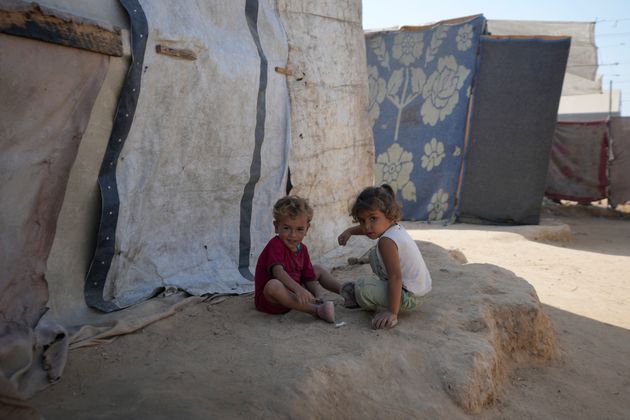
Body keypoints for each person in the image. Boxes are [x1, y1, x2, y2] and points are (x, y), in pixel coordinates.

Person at [337, 184, 432, 329]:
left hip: (408, 297)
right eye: (362, 221)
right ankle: (385, 293)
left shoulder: (386, 242)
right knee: (374, 257)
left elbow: (396, 277)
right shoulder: (394, 228)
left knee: (362, 287)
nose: (367, 226)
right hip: (419, 292)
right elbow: (371, 229)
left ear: (389, 215)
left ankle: (374, 300)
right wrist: (350, 231)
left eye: (373, 218)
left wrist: (391, 313)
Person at [255, 195, 342, 323]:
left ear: (307, 229)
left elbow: (308, 277)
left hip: (295, 294)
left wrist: (317, 295)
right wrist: (299, 289)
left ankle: (345, 292)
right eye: (286, 228)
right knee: (273, 285)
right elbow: (278, 272)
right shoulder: (276, 244)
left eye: (300, 229)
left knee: (317, 269)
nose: (293, 235)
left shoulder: (303, 249)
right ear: (276, 226)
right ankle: (316, 311)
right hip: (272, 300)